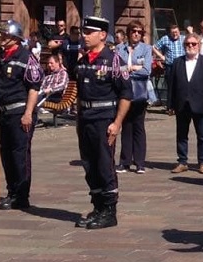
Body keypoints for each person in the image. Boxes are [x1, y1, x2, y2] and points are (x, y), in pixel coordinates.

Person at [73, 16, 133, 230]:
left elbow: (126, 95)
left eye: (89, 32)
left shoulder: (114, 60)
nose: (85, 35)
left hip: (104, 119)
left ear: (102, 35)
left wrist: (117, 123)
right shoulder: (82, 61)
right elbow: (79, 94)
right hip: (86, 119)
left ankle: (109, 211)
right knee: (89, 165)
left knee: (104, 165)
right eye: (84, 31)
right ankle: (97, 207)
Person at [0, 20, 43, 210]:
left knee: (19, 154)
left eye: (4, 35)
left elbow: (34, 88)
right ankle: (11, 191)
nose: (1, 38)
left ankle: (21, 195)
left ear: (14, 38)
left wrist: (28, 113)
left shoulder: (26, 57)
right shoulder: (1, 56)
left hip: (19, 111)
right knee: (5, 153)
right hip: (4, 111)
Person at [167, 33, 203, 175]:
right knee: (181, 134)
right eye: (188, 44)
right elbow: (172, 85)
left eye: (194, 44)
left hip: (200, 104)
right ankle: (182, 161)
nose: (191, 46)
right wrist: (170, 104)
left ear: (199, 46)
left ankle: (202, 162)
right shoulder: (177, 62)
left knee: (202, 135)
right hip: (182, 104)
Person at [116, 20, 153, 174]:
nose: (136, 34)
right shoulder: (119, 48)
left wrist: (130, 71)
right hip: (124, 93)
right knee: (126, 126)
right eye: (133, 31)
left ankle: (139, 162)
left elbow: (146, 70)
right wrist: (130, 68)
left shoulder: (146, 49)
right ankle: (124, 162)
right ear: (129, 33)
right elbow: (116, 69)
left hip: (139, 92)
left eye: (139, 31)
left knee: (138, 126)